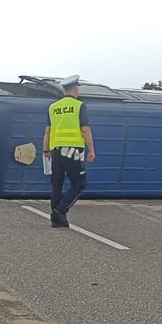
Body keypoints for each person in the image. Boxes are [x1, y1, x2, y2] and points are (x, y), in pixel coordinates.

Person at [43, 75, 96, 228]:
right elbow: (85, 130)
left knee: (56, 184)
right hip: (72, 150)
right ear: (75, 88)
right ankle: (60, 210)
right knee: (79, 183)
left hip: (55, 151)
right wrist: (91, 150)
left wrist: (46, 149)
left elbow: (48, 131)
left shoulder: (53, 107)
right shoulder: (79, 106)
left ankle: (56, 219)